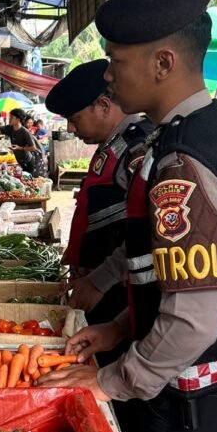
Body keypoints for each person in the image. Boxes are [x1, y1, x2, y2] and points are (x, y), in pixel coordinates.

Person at [37, 0, 217, 432]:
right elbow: (195, 277)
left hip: (200, 404)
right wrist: (119, 328)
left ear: (163, 63)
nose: (107, 75)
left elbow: (192, 320)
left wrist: (113, 380)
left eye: (115, 61)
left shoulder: (183, 164)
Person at [46, 58, 152, 362]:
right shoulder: (112, 146)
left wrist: (101, 279)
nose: (70, 127)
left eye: (75, 117)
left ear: (104, 105)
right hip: (100, 290)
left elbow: (148, 230)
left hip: (120, 295)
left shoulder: (137, 148)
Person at [0, 108, 46, 176]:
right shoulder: (9, 128)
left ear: (18, 119)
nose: (10, 119)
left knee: (28, 182)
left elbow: (33, 148)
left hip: (27, 162)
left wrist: (19, 148)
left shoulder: (25, 132)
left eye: (12, 118)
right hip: (19, 161)